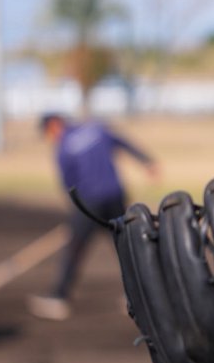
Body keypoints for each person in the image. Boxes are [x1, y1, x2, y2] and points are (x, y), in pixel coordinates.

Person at [28, 113, 158, 321]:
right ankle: (141, 296)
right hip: (115, 196)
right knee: (124, 247)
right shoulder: (96, 129)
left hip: (90, 202)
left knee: (75, 249)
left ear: (53, 126)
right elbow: (123, 142)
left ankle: (58, 297)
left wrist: (76, 214)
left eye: (47, 133)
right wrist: (147, 162)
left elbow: (69, 186)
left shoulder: (63, 148)